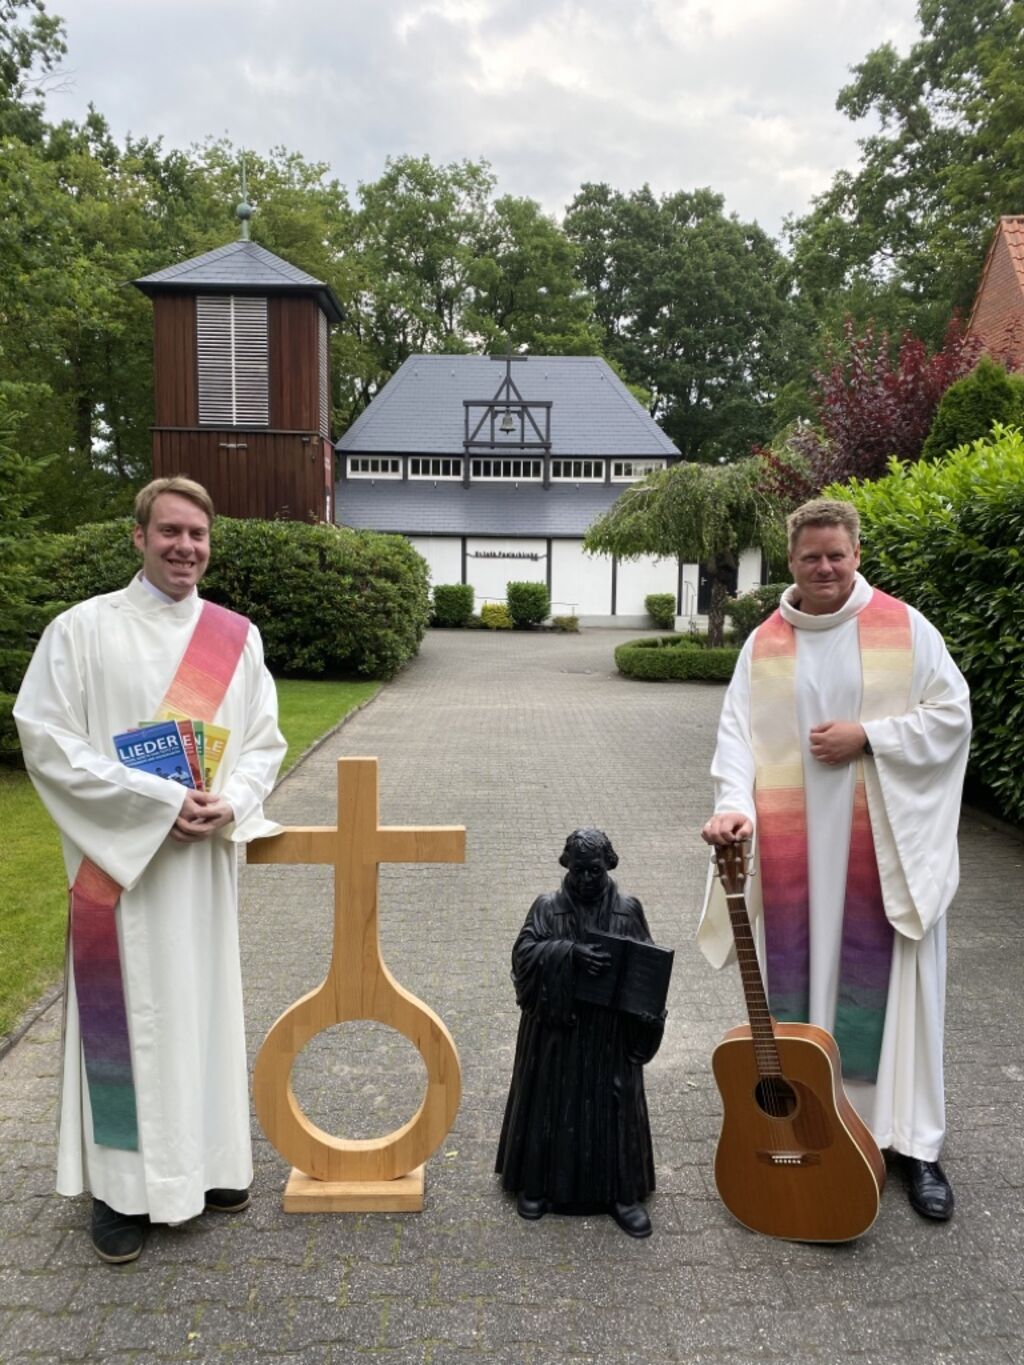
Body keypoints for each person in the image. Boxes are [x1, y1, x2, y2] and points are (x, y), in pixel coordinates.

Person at [15, 476, 286, 1263]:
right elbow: (47, 739)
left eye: (197, 535)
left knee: (201, 1010)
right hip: (119, 872)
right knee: (126, 1025)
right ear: (138, 536)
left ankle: (212, 1164)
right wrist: (153, 801)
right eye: (169, 531)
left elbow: (264, 741)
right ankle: (121, 1192)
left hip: (199, 869)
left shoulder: (235, 637)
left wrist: (230, 801)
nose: (185, 547)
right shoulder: (80, 631)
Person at [699, 498, 971, 1221]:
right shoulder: (762, 645)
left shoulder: (906, 630)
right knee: (803, 988)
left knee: (897, 999)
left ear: (857, 554)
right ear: (791, 559)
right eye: (811, 555)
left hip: (879, 856)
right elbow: (735, 742)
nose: (825, 566)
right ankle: (821, 1129)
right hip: (795, 860)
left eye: (837, 554)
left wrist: (871, 737)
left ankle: (912, 1144)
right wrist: (735, 806)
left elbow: (952, 715)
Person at [495, 828, 666, 1238]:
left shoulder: (627, 909)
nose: (587, 880)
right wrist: (568, 955)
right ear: (566, 867)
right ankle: (539, 1184)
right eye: (578, 871)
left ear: (608, 865)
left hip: (609, 1034)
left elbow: (647, 966)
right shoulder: (547, 907)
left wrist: (648, 1011)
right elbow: (523, 956)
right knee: (550, 1101)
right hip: (559, 1031)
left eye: (594, 871)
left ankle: (621, 1195)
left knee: (615, 1104)